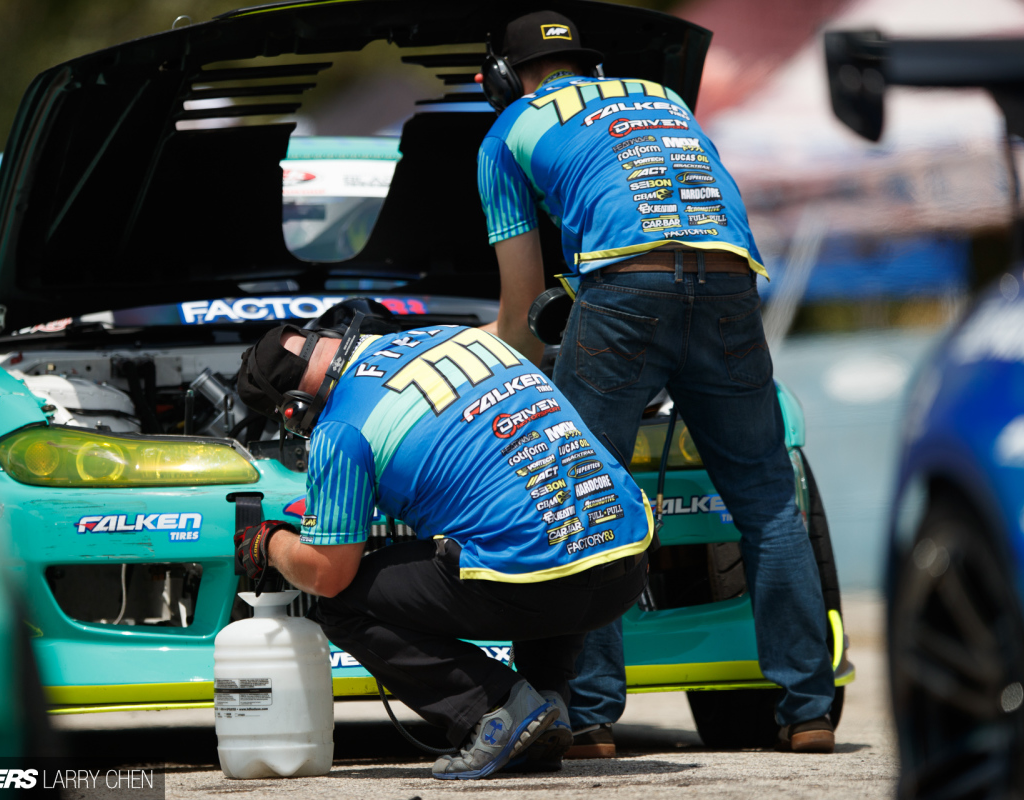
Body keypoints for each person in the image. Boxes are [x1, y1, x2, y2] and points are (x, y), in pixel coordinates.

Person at [473, 11, 837, 754]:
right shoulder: (662, 98)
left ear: (503, 79)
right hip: (732, 281)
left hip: (626, 292)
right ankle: (808, 711)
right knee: (768, 503)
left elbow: (520, 307)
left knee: (586, 496)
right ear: (593, 65)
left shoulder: (507, 132)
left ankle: (593, 712)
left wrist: (486, 351)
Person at [232, 313, 653, 778]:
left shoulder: (340, 427)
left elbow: (326, 574)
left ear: (291, 408)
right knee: (531, 522)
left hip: (536, 586)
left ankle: (496, 710)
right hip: (624, 564)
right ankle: (546, 697)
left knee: (344, 605)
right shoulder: (461, 337)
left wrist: (270, 542)